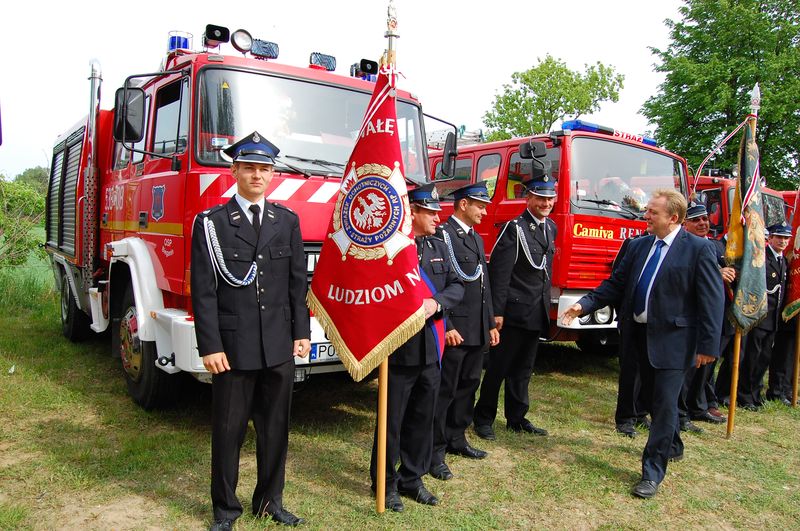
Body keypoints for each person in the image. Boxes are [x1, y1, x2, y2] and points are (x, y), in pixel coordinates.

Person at [560, 189, 724, 499]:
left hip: (676, 344)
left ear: (673, 218)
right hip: (638, 339)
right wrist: (584, 304)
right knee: (651, 400)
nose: (645, 216)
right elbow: (615, 285)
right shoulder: (638, 246)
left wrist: (708, 347)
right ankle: (673, 444)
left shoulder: (698, 249)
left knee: (662, 407)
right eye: (647, 210)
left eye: (652, 212)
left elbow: (712, 302)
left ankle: (651, 472)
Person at [191, 132, 311, 529]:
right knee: (228, 432)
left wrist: (302, 332)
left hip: (277, 344)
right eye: (249, 168)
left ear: (272, 174)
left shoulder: (287, 221)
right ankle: (225, 510)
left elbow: (297, 284)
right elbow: (204, 291)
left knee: (275, 429)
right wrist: (210, 344)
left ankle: (269, 501)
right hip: (234, 347)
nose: (257, 175)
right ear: (234, 171)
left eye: (264, 168)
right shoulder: (212, 224)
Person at [369, 183, 464, 512]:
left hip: (430, 350)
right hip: (399, 351)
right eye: (432, 212)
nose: (439, 218)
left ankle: (413, 477)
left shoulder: (439, 244)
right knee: (392, 421)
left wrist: (435, 304)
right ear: (413, 213)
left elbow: (457, 287)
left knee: (423, 418)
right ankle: (385, 482)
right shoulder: (392, 250)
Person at [473, 173, 556, 440]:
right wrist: (497, 312)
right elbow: (500, 273)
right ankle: (483, 418)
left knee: (523, 369)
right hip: (512, 311)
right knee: (498, 369)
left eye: (550, 198)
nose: (546, 203)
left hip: (535, 310)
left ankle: (517, 417)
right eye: (541, 198)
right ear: (528, 198)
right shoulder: (515, 228)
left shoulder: (549, 227)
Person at [429, 182, 499, 482]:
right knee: (445, 391)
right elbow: (439, 286)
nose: (484, 211)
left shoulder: (475, 239)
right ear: (463, 205)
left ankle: (457, 437)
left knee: (468, 385)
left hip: (476, 327)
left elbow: (483, 286)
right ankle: (435, 451)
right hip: (456, 328)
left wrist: (490, 324)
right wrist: (448, 326)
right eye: (480, 205)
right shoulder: (443, 235)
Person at [678, 202, 729, 429]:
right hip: (688, 316)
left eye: (705, 219)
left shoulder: (717, 247)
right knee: (686, 371)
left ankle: (699, 406)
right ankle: (680, 414)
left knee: (706, 369)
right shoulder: (682, 246)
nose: (702, 223)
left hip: (709, 317)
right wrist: (717, 273)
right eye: (696, 220)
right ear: (685, 223)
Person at [738, 223, 790, 410]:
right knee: (752, 357)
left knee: (763, 359)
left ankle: (755, 393)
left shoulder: (784, 261)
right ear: (770, 238)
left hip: (773, 319)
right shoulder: (761, 257)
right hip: (759, 317)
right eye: (779, 237)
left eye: (786, 238)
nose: (783, 241)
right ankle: (745, 395)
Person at [612, 232, 653, 438]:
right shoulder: (634, 244)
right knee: (630, 372)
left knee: (648, 373)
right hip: (631, 321)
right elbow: (617, 282)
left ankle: (641, 412)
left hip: (655, 326)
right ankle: (625, 418)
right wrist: (621, 314)